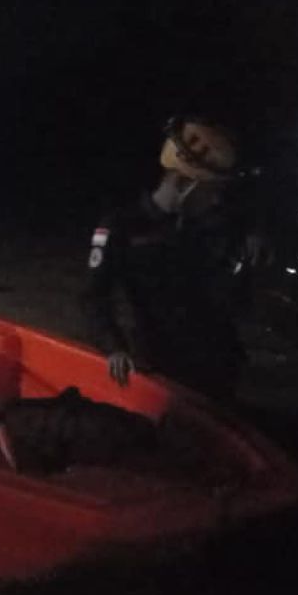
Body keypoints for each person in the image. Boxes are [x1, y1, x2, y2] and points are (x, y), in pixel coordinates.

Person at [79, 117, 249, 402]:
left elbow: (223, 293)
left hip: (215, 360)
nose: (216, 201)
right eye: (212, 191)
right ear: (185, 184)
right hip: (160, 360)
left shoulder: (206, 227)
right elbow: (93, 296)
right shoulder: (122, 226)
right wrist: (114, 348)